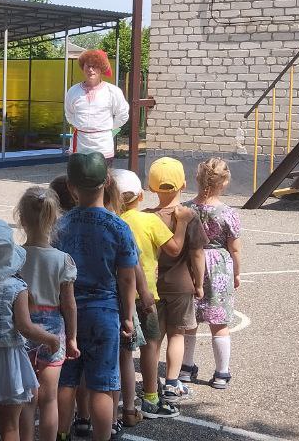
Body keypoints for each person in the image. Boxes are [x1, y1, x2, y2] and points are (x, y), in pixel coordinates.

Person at [54, 152, 136, 441]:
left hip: (66, 311)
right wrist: (128, 316)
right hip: (104, 311)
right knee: (102, 383)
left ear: (71, 187)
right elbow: (127, 277)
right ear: (107, 183)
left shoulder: (60, 225)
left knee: (66, 379)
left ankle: (61, 433)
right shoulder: (119, 227)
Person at [0, 218, 61, 441]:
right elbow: (25, 327)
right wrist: (51, 339)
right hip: (9, 362)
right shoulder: (16, 287)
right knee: (9, 425)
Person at [110, 169, 186, 419]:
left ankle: (118, 399)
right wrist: (183, 223)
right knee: (150, 345)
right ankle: (151, 397)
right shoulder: (149, 220)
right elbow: (174, 249)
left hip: (118, 293)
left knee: (122, 351)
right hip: (146, 294)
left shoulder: (113, 222)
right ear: (141, 196)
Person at [15, 187, 78, 441]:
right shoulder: (62, 259)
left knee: (27, 397)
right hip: (53, 327)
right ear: (53, 219)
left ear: (21, 218)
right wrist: (72, 337)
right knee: (49, 398)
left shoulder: (16, 257)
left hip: (23, 326)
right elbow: (69, 304)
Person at [144, 157, 203, 403]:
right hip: (181, 285)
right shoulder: (189, 216)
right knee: (177, 334)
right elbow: (197, 253)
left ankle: (151, 385)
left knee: (153, 338)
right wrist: (199, 283)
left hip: (151, 286)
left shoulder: (145, 217)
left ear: (150, 187)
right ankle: (171, 383)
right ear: (184, 185)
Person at [182, 158, 242, 390]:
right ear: (224, 182)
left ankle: (186, 368)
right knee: (219, 323)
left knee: (189, 322)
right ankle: (221, 373)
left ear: (198, 179)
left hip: (191, 265)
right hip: (218, 269)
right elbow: (235, 249)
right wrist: (236, 273)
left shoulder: (186, 209)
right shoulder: (228, 213)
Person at [63, 50, 129, 161]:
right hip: (79, 145)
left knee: (102, 173)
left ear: (101, 68)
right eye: (88, 66)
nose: (90, 70)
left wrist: (106, 129)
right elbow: (69, 114)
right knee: (77, 173)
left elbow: (122, 115)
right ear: (83, 67)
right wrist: (82, 127)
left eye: (94, 66)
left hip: (103, 147)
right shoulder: (73, 91)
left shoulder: (113, 91)